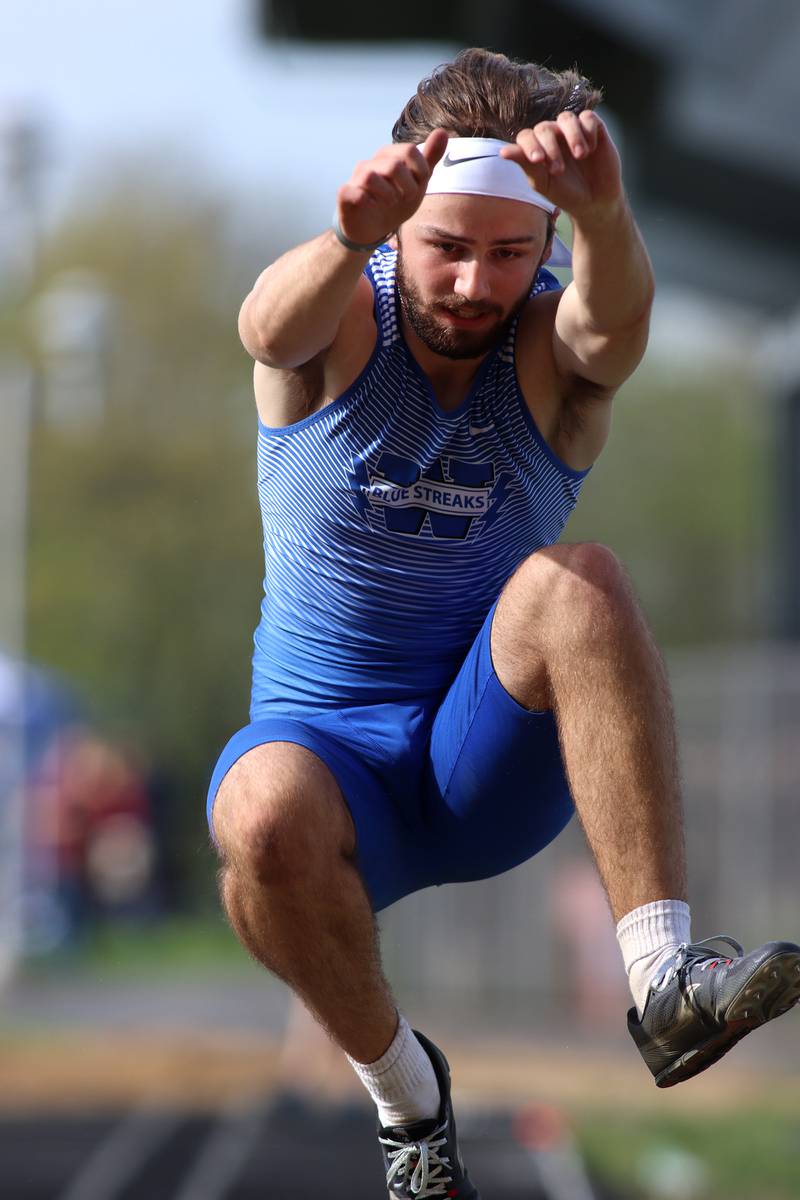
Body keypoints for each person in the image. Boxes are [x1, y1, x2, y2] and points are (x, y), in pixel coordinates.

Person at [208, 48, 800, 1200]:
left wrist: (607, 214)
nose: (475, 283)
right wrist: (342, 239)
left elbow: (609, 335)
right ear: (393, 227)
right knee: (254, 819)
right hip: (330, 774)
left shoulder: (546, 346)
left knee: (574, 578)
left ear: (546, 248)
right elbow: (265, 332)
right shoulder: (335, 321)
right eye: (446, 246)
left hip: (484, 763)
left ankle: (662, 978)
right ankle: (407, 1103)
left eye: (509, 252)